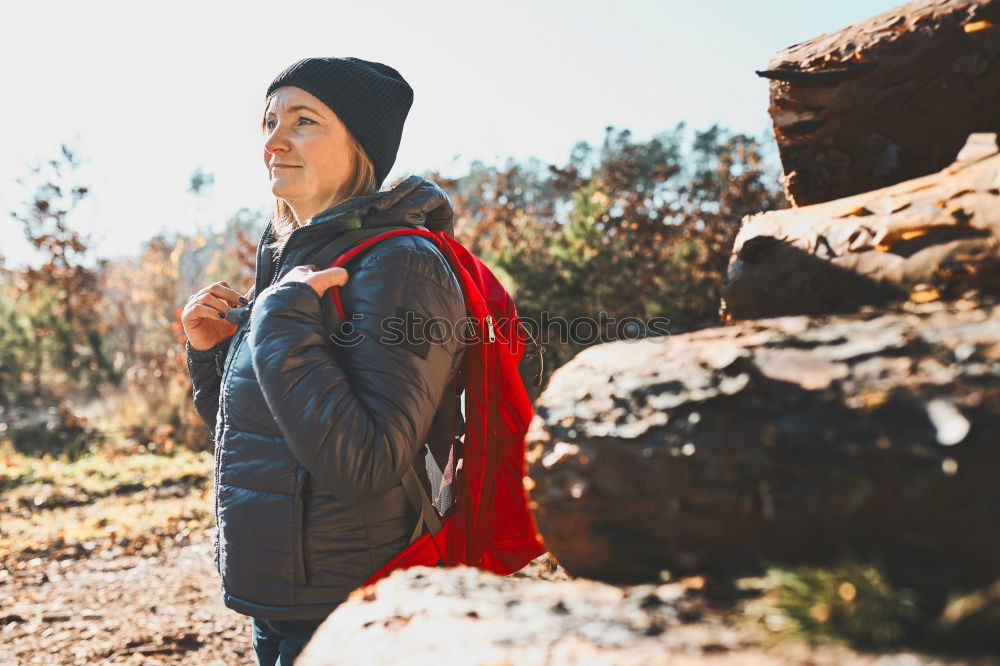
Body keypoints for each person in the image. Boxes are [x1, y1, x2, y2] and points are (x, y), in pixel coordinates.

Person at [180, 56, 467, 665]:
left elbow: (367, 463)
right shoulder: (291, 268)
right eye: (269, 121)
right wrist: (211, 358)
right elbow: (264, 442)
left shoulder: (400, 265)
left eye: (303, 120)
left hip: (354, 606)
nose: (273, 141)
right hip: (283, 598)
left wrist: (279, 324)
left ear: (361, 145)